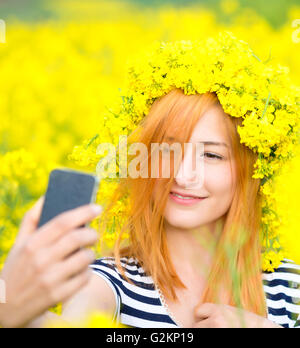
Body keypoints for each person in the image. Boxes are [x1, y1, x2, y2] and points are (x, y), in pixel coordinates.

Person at [0, 89, 299, 328]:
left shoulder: (290, 285)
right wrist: (10, 306)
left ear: (252, 172)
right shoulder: (110, 282)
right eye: (167, 151)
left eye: (211, 155)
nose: (183, 175)